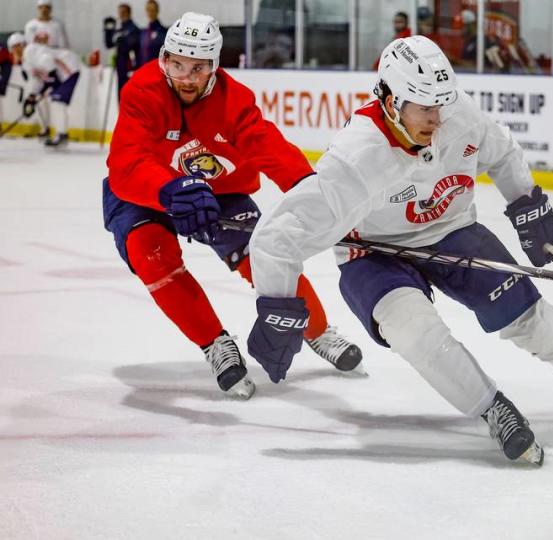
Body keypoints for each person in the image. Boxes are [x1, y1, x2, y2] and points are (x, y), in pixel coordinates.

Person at [246, 36, 553, 465]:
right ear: (390, 101)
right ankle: (491, 408)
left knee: (532, 320)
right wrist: (277, 303)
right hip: (373, 255)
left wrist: (526, 205)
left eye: (443, 103)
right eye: (425, 106)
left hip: (453, 230)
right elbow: (278, 236)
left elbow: (502, 152)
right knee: (415, 332)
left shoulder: (456, 113)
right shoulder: (355, 159)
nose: (438, 117)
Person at [102, 12, 363, 400]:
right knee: (150, 255)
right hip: (147, 192)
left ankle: (317, 329)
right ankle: (215, 345)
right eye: (177, 64)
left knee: (265, 255)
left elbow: (266, 144)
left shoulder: (234, 100)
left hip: (218, 189)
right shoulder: (142, 91)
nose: (186, 77)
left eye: (198, 67)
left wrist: (311, 190)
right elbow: (127, 162)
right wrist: (171, 189)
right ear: (164, 59)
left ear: (215, 66)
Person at [19, 32, 81, 147]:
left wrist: (44, 91)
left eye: (16, 46)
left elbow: (51, 73)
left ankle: (62, 135)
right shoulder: (27, 60)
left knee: (57, 102)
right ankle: (61, 134)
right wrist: (32, 96)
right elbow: (42, 79)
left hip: (70, 70)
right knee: (56, 101)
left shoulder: (31, 52)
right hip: (63, 72)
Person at [103, 3, 142, 96]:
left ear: (129, 13)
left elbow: (131, 45)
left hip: (129, 68)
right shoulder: (119, 29)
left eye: (123, 12)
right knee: (121, 93)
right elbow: (109, 44)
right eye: (120, 13)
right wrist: (108, 30)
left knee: (128, 93)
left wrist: (123, 41)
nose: (121, 15)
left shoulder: (133, 29)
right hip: (120, 67)